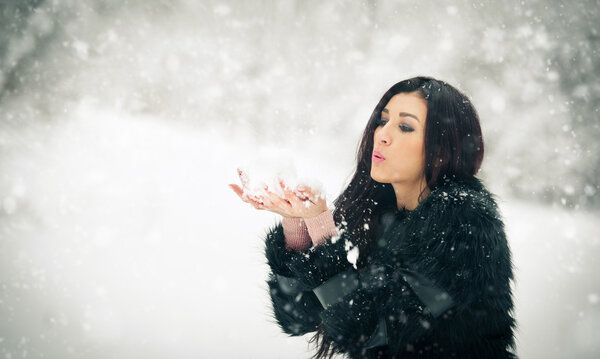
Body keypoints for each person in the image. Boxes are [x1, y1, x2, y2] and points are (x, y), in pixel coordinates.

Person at [229, 76, 517, 359]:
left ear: (441, 151)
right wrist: (295, 223)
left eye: (405, 126)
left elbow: (371, 333)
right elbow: (298, 317)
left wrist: (322, 227)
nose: (383, 134)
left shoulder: (463, 220)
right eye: (383, 120)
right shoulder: (376, 210)